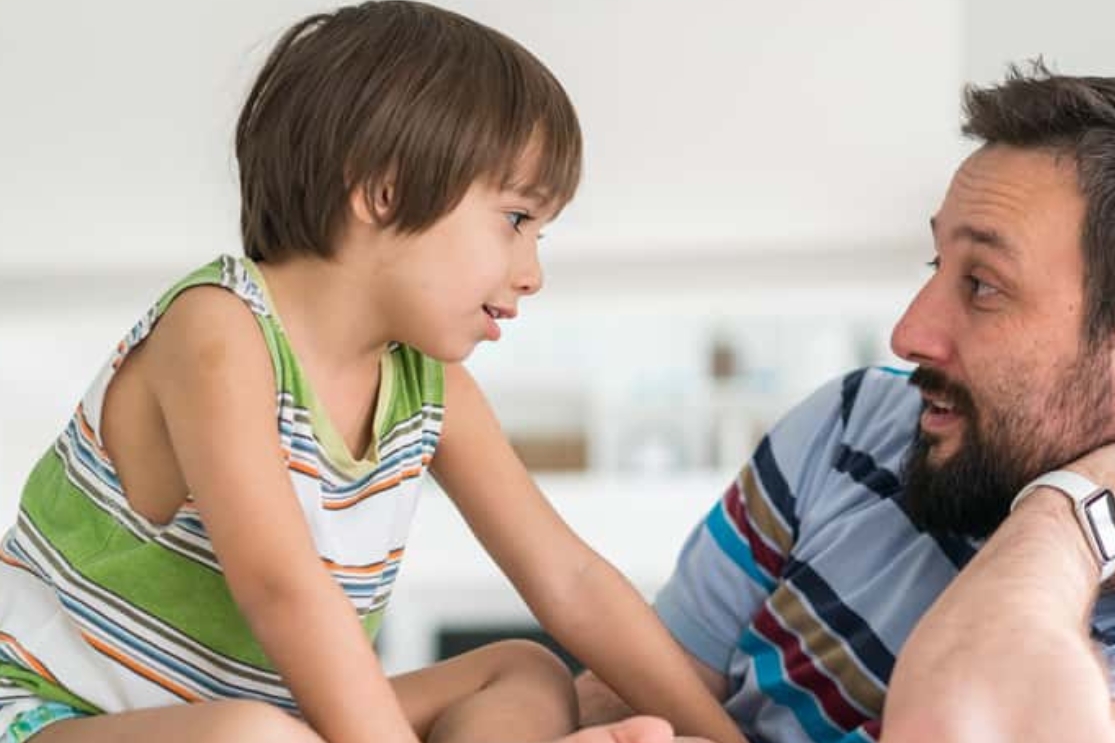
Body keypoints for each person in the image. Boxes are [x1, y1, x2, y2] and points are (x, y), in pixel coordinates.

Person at [0, 4, 742, 743]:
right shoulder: (218, 329)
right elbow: (281, 589)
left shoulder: (429, 385)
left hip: (256, 716)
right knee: (251, 737)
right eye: (516, 220)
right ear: (381, 189)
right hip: (55, 713)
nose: (532, 272)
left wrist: (730, 737)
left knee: (522, 669)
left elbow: (569, 579)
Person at [576, 66, 1115, 742]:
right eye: (937, 266)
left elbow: (961, 729)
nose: (908, 334)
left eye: (983, 285)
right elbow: (625, 695)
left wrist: (1075, 516)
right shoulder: (859, 424)